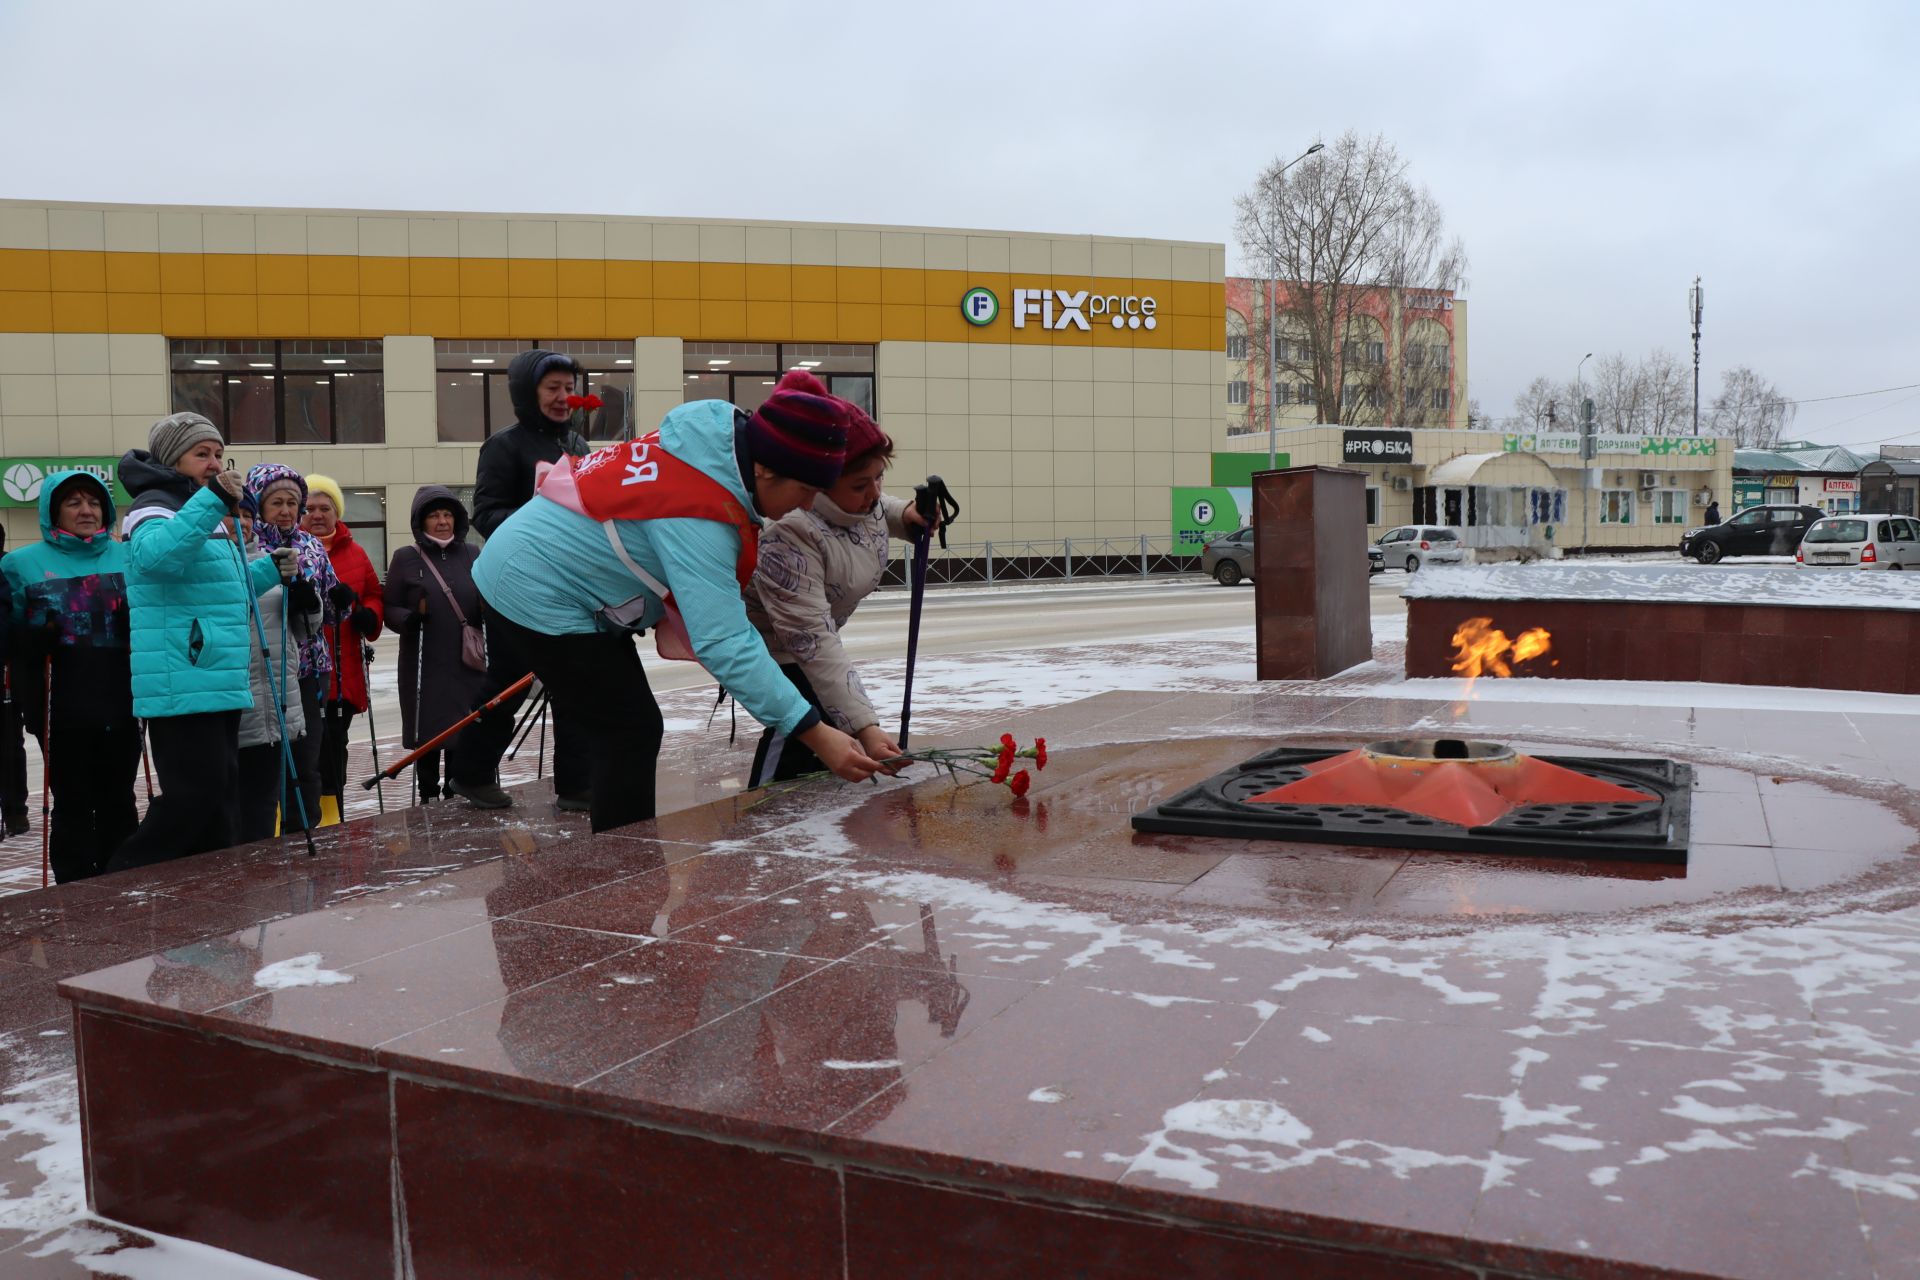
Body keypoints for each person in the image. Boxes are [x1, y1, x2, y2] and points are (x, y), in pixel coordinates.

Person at [466, 370, 884, 833]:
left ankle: (616, 843)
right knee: (629, 728)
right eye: (805, 490)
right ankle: (626, 875)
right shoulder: (698, 513)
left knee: (623, 721)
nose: (806, 505)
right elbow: (724, 640)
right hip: (534, 585)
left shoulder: (716, 443)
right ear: (765, 469)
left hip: (540, 567)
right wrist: (812, 730)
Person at [106, 413, 295, 872]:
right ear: (174, 458)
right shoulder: (154, 505)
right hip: (183, 671)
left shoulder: (196, 506)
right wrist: (211, 502)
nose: (213, 463)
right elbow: (155, 561)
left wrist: (269, 568)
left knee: (222, 789)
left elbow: (218, 586)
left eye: (217, 453)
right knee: (198, 791)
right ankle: (124, 875)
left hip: (212, 670)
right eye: (201, 454)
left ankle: (207, 885)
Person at [744, 401, 937, 784]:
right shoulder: (788, 531)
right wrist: (866, 727)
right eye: (860, 485)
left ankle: (809, 809)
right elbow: (812, 642)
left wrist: (906, 515)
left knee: (828, 724)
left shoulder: (860, 503)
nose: (875, 493)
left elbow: (874, 510)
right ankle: (758, 812)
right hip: (775, 639)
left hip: (812, 631)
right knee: (802, 723)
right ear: (820, 482)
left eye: (879, 478)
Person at [452, 348, 593, 809]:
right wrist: (541, 525)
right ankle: (470, 773)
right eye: (552, 388)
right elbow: (485, 513)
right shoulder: (504, 445)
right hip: (514, 584)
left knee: (574, 681)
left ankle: (576, 785)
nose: (563, 397)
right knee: (509, 680)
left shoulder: (577, 446)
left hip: (567, 583)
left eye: (569, 389)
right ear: (526, 393)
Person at [0, 471, 137, 881]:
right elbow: (7, 636)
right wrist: (33, 638)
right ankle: (74, 888)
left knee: (119, 798)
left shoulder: (127, 556)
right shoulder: (19, 564)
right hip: (59, 702)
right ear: (53, 511)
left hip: (122, 696)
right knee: (73, 802)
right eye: (74, 502)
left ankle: (123, 879)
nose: (86, 510)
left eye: (94, 502)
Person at [243, 464, 337, 833]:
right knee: (266, 767)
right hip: (264, 671)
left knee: (305, 760)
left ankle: (304, 832)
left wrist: (334, 603)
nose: (285, 510)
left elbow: (329, 600)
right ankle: (263, 841)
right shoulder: (249, 545)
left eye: (292, 503)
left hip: (311, 668)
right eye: (276, 502)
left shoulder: (311, 545)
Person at [384, 486, 486, 805]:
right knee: (426, 727)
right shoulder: (406, 557)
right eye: (433, 515)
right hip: (423, 659)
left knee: (464, 722)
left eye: (447, 515)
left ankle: (456, 787)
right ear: (421, 521)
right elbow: (390, 607)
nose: (442, 522)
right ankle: (427, 790)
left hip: (465, 658)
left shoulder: (472, 554)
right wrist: (408, 618)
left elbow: (487, 592)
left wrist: (486, 607)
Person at [233, 503, 319, 844]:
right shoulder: (204, 570)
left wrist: (308, 602)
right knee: (243, 803)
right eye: (229, 514)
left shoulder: (274, 561)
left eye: (244, 515)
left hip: (280, 700)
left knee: (272, 795)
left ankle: (275, 874)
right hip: (238, 703)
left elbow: (304, 631)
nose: (239, 522)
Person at [302, 474, 383, 824]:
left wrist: (365, 614)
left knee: (335, 746)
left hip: (343, 671)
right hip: (302, 669)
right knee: (306, 750)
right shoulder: (292, 547)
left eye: (325, 508)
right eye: (310, 509)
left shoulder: (356, 552)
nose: (317, 515)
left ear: (337, 512)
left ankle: (332, 818)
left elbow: (373, 596)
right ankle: (300, 818)